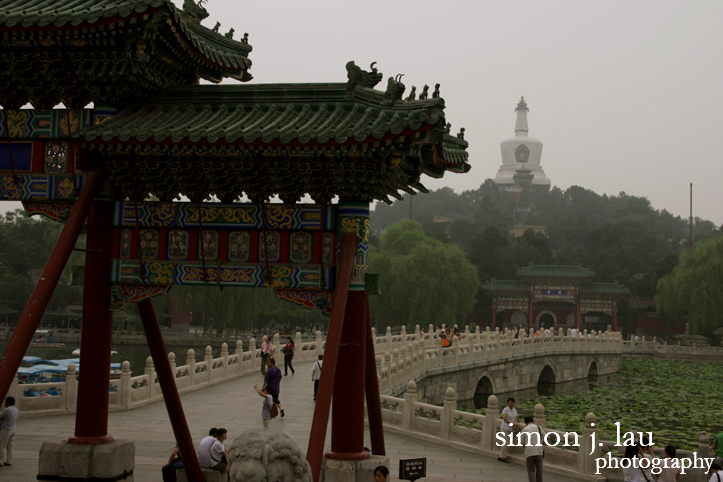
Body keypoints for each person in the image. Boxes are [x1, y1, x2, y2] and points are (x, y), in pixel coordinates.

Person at [521, 415, 544, 482]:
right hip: (539, 451)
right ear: (533, 421)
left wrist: (527, 446)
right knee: (539, 470)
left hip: (529, 452)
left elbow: (522, 442)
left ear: (525, 423)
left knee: (531, 470)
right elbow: (546, 436)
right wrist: (541, 443)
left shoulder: (524, 430)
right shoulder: (538, 427)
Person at [498, 397, 518, 463]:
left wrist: (515, 424)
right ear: (507, 403)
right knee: (505, 443)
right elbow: (505, 418)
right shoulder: (505, 409)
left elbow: (516, 418)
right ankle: (503, 457)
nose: (511, 404)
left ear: (514, 403)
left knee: (509, 443)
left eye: (512, 403)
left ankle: (501, 455)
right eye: (510, 403)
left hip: (511, 429)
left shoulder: (514, 410)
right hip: (505, 428)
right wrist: (512, 424)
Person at [0, 396, 18, 466]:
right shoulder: (16, 410)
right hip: (13, 429)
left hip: (6, 429)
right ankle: (9, 461)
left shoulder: (6, 410)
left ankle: (1, 461)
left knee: (2, 445)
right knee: (10, 446)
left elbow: (0, 417)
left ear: (8, 403)